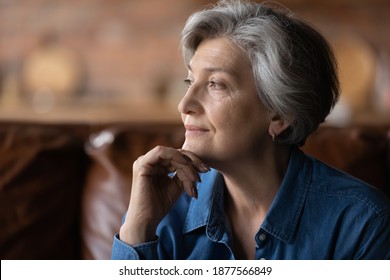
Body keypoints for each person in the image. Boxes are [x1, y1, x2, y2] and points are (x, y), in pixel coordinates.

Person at [111, 0, 390, 260]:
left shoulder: (363, 222)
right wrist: (138, 229)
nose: (185, 105)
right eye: (190, 82)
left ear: (280, 115)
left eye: (216, 84)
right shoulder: (163, 209)